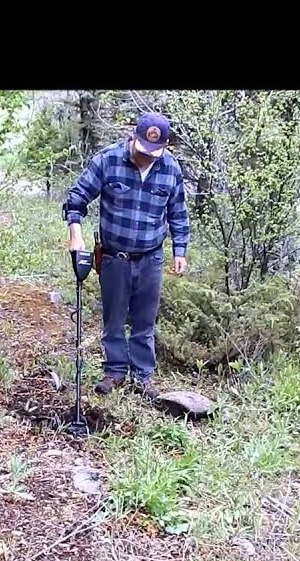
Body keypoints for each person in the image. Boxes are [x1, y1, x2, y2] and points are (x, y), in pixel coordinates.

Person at [62, 112, 190, 399]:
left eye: (155, 152)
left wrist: (179, 250)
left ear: (165, 147)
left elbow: (178, 213)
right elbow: (76, 198)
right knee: (114, 319)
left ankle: (143, 377)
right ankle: (115, 372)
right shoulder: (107, 160)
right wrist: (76, 234)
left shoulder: (170, 168)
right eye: (143, 150)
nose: (147, 157)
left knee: (145, 322)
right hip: (114, 256)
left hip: (151, 257)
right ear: (133, 137)